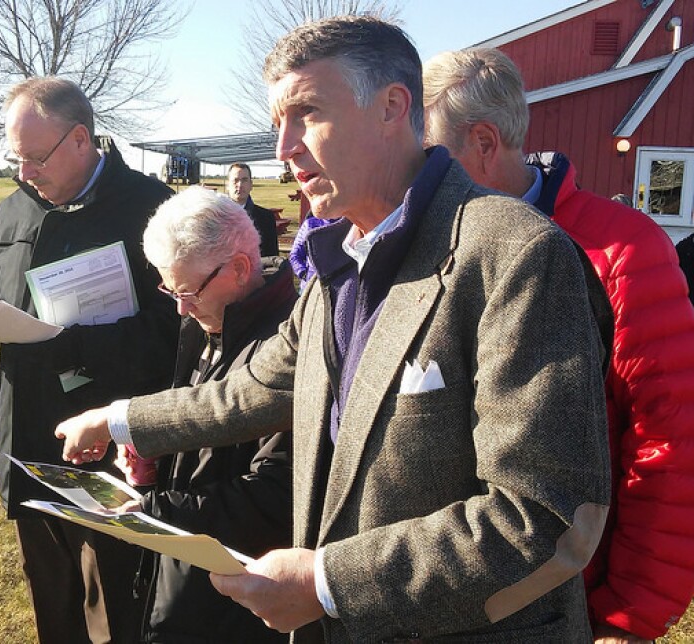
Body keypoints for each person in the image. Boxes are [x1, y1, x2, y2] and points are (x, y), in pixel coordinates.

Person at [56, 17, 611, 643]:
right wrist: (120, 418)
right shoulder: (336, 266)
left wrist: (328, 582)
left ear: (393, 108)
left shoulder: (514, 254)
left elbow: (545, 516)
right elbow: (249, 391)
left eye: (308, 113)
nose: (284, 148)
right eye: (278, 123)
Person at [422, 46, 694, 643]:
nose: (414, 175)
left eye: (428, 155)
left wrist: (629, 615)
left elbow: (670, 439)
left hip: (565, 604)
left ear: (485, 145)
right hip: (441, 596)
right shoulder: (426, 247)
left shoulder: (621, 251)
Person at [0, 77, 178, 643]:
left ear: (81, 139)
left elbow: (179, 329)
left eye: (35, 157)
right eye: (15, 158)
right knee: (53, 601)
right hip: (26, 438)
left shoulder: (150, 209)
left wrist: (78, 344)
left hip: (107, 445)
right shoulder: (12, 212)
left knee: (112, 600)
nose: (24, 173)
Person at [106, 186, 295, 643]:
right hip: (185, 586)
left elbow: (274, 495)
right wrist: (156, 467)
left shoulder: (286, 344)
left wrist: (155, 512)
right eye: (170, 290)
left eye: (187, 291)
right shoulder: (206, 320)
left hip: (240, 605)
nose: (179, 307)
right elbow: (200, 432)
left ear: (241, 267)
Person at [226, 162, 280, 256]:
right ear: (227, 185)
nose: (240, 185)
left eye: (244, 180)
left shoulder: (266, 218)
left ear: (251, 185)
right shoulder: (215, 217)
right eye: (235, 180)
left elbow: (272, 257)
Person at [288, 212, 337, 291]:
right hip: (311, 285)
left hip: (339, 287)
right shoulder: (310, 224)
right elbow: (295, 254)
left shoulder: (351, 225)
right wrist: (303, 273)